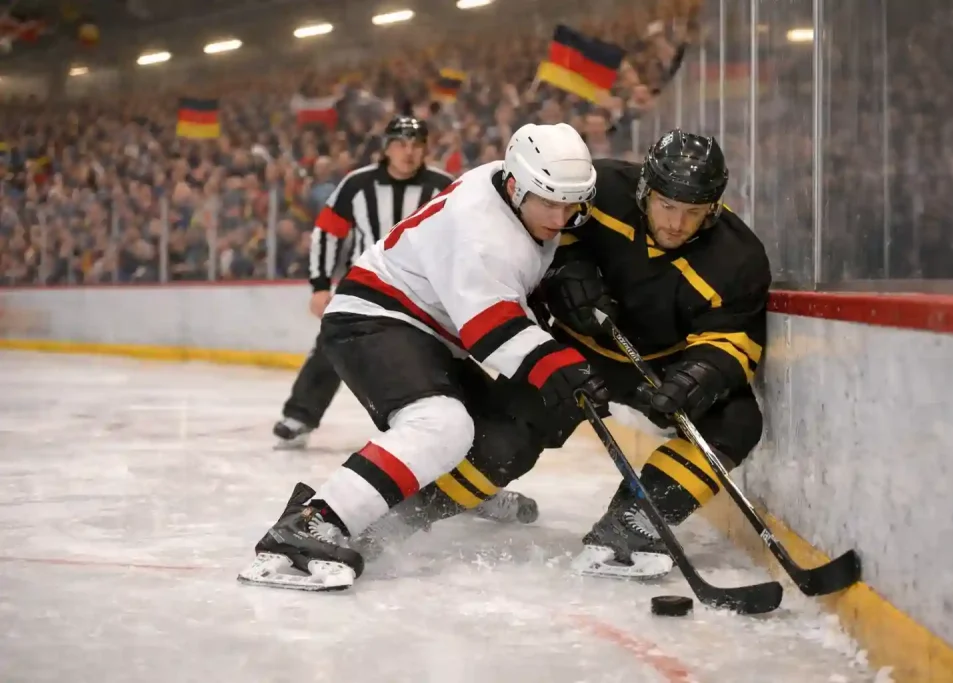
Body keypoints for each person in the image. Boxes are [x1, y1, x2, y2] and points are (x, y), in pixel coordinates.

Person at [359, 130, 771, 580]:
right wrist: (565, 272)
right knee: (504, 443)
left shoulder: (738, 257)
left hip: (661, 366)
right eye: (666, 206)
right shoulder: (601, 188)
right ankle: (409, 513)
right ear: (644, 190)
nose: (676, 223)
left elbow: (735, 338)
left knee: (736, 420)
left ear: (713, 208)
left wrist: (699, 375)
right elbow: (542, 234)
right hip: (572, 351)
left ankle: (635, 521)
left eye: (693, 212)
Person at [238, 122, 610, 591]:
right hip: (372, 317)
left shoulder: (514, 185)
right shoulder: (482, 228)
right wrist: (559, 366)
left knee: (506, 440)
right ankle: (311, 523)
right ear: (516, 187)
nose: (560, 218)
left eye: (571, 205)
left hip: (430, 331)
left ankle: (396, 516)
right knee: (440, 424)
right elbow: (490, 329)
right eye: (550, 204)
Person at [272, 115, 454, 451]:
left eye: (416, 145)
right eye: (400, 144)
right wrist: (320, 285)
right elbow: (327, 233)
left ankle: (437, 427)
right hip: (365, 285)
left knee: (429, 356)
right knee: (334, 344)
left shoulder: (443, 187)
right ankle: (299, 417)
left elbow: (461, 238)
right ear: (386, 148)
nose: (408, 152)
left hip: (422, 291)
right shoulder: (357, 184)